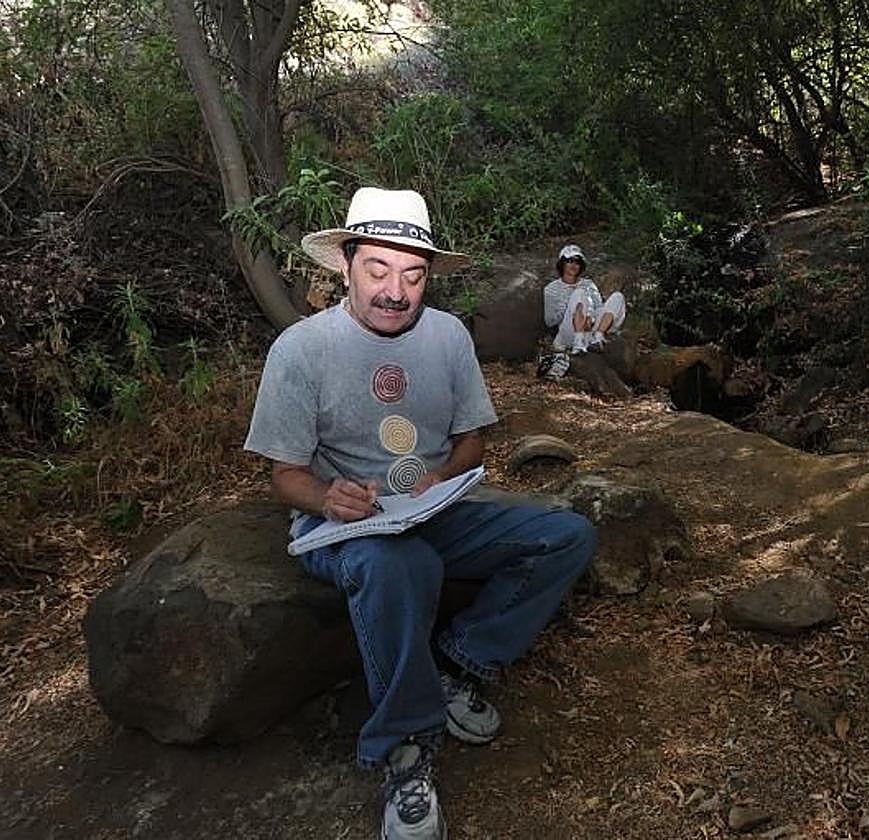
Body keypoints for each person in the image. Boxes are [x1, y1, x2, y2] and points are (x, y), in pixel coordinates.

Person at [244, 187, 597, 840]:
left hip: (436, 508)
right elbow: (283, 475)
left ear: (429, 277)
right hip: (344, 526)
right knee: (395, 562)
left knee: (566, 534)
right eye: (377, 269)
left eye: (412, 274)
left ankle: (458, 661)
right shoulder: (301, 350)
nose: (394, 291)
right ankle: (405, 746)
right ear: (344, 265)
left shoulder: (448, 337)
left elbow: (473, 439)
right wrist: (327, 497)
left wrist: (444, 474)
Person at [543, 244, 626, 356]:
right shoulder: (551, 289)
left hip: (590, 329)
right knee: (579, 293)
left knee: (618, 297)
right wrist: (570, 306)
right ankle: (578, 343)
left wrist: (589, 319)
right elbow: (549, 321)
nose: (574, 265)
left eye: (577, 262)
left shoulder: (589, 284)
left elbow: (599, 308)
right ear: (562, 263)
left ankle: (598, 338)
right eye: (570, 261)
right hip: (568, 331)